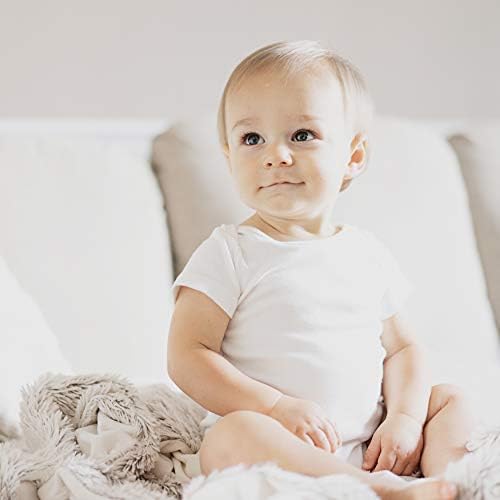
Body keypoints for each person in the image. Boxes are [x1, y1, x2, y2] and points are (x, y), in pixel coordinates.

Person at [167, 40, 476, 499]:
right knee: (230, 436)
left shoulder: (366, 253)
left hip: (373, 443)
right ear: (229, 158)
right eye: (252, 139)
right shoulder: (230, 251)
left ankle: (449, 484)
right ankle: (374, 491)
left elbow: (404, 349)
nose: (276, 155)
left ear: (353, 156)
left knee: (450, 398)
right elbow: (188, 355)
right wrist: (273, 406)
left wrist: (404, 420)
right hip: (282, 443)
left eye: (301, 135)